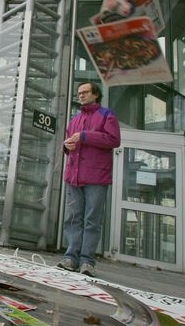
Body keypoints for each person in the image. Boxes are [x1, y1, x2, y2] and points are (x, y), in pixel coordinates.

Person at [57, 82, 121, 277]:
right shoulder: (74, 119)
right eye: (79, 93)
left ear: (96, 95)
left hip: (96, 177)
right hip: (73, 176)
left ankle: (87, 262)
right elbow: (69, 143)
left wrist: (84, 136)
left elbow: (113, 140)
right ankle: (71, 258)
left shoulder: (107, 114)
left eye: (85, 92)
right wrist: (66, 146)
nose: (81, 95)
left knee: (92, 220)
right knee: (73, 218)